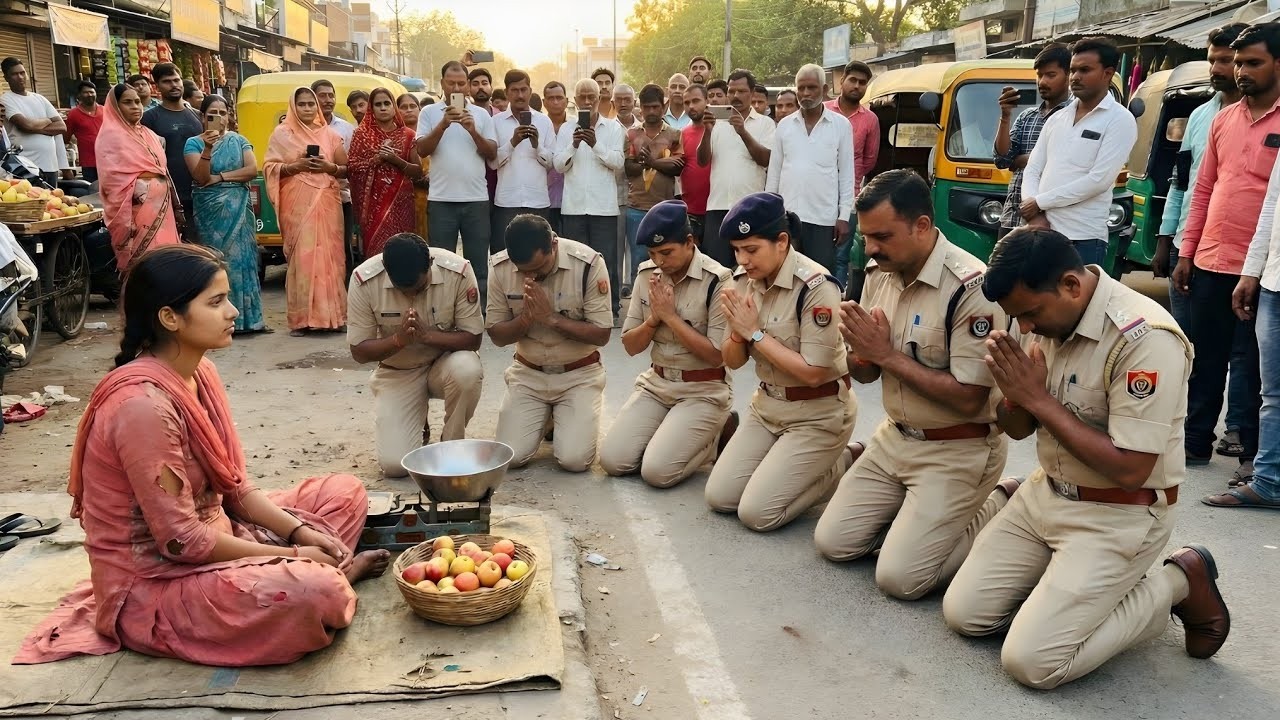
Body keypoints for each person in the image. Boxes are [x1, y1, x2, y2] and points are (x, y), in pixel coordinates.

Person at [14, 245, 390, 668]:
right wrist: (294, 557)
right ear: (170, 318)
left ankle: (321, 571)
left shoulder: (200, 373)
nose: (232, 312)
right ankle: (334, 577)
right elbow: (182, 542)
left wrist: (300, 533)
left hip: (219, 529)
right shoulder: (142, 407)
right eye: (216, 302)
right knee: (314, 590)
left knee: (344, 491)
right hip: (157, 580)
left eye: (227, 299)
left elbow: (235, 488)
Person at [943, 228, 1228, 689]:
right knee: (965, 616)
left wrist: (1037, 400)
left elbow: (1132, 469)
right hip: (1045, 495)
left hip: (1119, 511)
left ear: (1071, 286)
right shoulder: (1042, 314)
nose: (1027, 328)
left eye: (1031, 314)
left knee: (1033, 663)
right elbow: (1015, 428)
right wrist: (1014, 399)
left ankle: (1179, 580)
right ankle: (1071, 595)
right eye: (1020, 318)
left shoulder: (1144, 339)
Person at [813, 170, 1011, 599]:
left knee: (901, 580)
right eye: (867, 237)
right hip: (895, 439)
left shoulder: (972, 288)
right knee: (834, 543)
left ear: (922, 225)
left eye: (883, 236)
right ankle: (915, 516)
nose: (872, 247)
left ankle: (998, 502)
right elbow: (865, 373)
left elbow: (969, 397)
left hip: (957, 447)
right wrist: (858, 352)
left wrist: (886, 355)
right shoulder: (878, 272)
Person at [705, 192, 858, 531]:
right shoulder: (741, 282)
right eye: (736, 250)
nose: (742, 259)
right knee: (720, 497)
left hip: (817, 414)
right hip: (768, 408)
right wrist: (737, 334)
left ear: (782, 241)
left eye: (751, 249)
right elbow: (729, 360)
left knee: (757, 514)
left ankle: (840, 462)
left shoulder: (816, 287)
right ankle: (792, 469)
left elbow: (815, 373)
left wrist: (756, 333)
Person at [1173, 22, 1280, 485]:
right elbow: (1203, 189)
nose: (1240, 71)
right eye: (1237, 62)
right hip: (1211, 258)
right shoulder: (1222, 119)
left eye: (1252, 62)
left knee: (1254, 365)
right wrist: (1186, 250)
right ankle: (1194, 442)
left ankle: (1252, 458)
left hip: (1260, 267)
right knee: (1205, 357)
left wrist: (1255, 267)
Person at [1153, 23, 1252, 470]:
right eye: (1213, 59)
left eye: (1227, 60)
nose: (1219, 68)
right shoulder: (1202, 117)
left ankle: (1243, 435)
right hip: (1197, 246)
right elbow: (1186, 182)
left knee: (1245, 353)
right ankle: (1192, 436)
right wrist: (1169, 242)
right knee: (1194, 346)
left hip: (1252, 255)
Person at [600, 200, 736, 487]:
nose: (660, 261)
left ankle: (716, 434)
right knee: (613, 461)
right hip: (657, 384)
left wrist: (670, 318)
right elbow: (630, 345)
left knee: (657, 473)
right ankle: (674, 433)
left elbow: (716, 356)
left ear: (689, 242)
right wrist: (653, 321)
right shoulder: (647, 274)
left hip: (703, 389)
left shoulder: (718, 280)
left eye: (666, 252)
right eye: (652, 253)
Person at [348, 233, 484, 478]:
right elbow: (359, 351)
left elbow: (473, 338)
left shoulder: (458, 271)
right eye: (403, 290)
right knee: (396, 466)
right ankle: (417, 422)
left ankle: (451, 446)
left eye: (419, 288)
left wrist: (427, 337)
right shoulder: (364, 280)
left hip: (444, 365)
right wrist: (398, 340)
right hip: (398, 371)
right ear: (386, 270)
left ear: (430, 263)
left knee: (468, 369)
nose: (411, 295)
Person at [486, 214, 613, 472]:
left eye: (538, 268)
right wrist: (525, 320)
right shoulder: (500, 268)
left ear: (553, 245)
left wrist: (551, 319)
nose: (530, 276)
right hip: (528, 375)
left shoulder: (588, 264)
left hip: (579, 375)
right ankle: (547, 415)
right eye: (523, 271)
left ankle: (562, 415)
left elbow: (602, 334)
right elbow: (497, 336)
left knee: (574, 461)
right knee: (510, 458)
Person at [1019, 38, 1137, 265]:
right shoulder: (1057, 118)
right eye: (1073, 70)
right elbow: (1033, 168)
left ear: (1107, 73)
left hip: (1082, 238)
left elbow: (1098, 180)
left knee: (1077, 300)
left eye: (1085, 70)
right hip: (1042, 231)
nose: (1075, 77)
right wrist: (1035, 214)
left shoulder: (1120, 120)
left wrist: (1040, 203)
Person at [264, 87, 349, 336]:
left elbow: (345, 168)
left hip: (327, 201)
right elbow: (270, 166)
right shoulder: (281, 134)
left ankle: (334, 317)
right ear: (293, 107)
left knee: (332, 258)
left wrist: (328, 166)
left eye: (311, 104)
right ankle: (302, 320)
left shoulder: (331, 135)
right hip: (297, 205)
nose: (308, 108)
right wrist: (295, 166)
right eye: (302, 104)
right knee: (302, 259)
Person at [1225, 122, 1280, 509]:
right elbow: (1270, 212)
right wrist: (1252, 272)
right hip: (1275, 282)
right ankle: (1268, 481)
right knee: (1272, 394)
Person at [417, 61, 499, 306]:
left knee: (477, 263)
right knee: (442, 262)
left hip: (476, 201)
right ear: (442, 83)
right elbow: (422, 150)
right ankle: (443, 309)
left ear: (468, 86)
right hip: (441, 200)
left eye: (461, 83)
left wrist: (472, 130)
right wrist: (443, 125)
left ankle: (479, 309)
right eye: (451, 83)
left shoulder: (482, 114)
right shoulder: (430, 113)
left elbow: (492, 152)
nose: (456, 88)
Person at [183, 95, 266, 334]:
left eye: (223, 113)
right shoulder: (193, 143)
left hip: (239, 203)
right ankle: (218, 322)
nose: (219, 118)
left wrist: (220, 177)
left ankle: (249, 320)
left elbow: (251, 170)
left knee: (244, 260)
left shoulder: (239, 141)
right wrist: (208, 148)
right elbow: (200, 177)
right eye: (213, 113)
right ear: (202, 117)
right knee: (217, 261)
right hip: (211, 209)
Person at [766, 64, 853, 274]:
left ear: (824, 90)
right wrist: (770, 211)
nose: (805, 93)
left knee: (820, 278)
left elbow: (847, 173)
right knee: (786, 276)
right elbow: (775, 171)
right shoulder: (784, 126)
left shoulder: (841, 125)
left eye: (811, 88)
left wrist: (844, 216)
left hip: (823, 218)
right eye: (801, 88)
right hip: (787, 217)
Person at [555, 77, 625, 316]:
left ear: (599, 99)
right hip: (574, 207)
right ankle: (578, 308)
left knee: (606, 261)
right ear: (574, 101)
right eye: (582, 97)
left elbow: (618, 162)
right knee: (576, 261)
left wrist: (595, 144)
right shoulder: (566, 129)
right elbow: (558, 165)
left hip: (603, 208)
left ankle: (610, 307)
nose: (587, 102)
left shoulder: (614, 128)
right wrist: (574, 145)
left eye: (591, 97)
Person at [96, 83, 181, 271]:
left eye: (137, 101)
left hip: (162, 208)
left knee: (167, 258)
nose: (135, 106)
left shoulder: (148, 133)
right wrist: (143, 189)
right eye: (127, 102)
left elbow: (161, 168)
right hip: (135, 211)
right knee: (146, 264)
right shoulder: (111, 136)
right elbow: (112, 180)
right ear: (115, 107)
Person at [698, 69, 776, 269]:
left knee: (750, 268)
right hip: (718, 207)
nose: (735, 96)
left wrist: (742, 131)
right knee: (717, 269)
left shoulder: (765, 124)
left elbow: (766, 159)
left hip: (750, 207)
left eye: (741, 91)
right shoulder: (717, 124)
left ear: (751, 93)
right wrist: (706, 133)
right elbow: (702, 161)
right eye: (731, 91)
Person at [994, 44, 1071, 239]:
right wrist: (1005, 116)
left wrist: (1022, 160)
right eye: (1039, 75)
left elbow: (1066, 161)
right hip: (1013, 214)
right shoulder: (1027, 116)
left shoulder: (1074, 116)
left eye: (1050, 75)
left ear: (1068, 75)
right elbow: (1003, 160)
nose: (1042, 82)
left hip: (1050, 220)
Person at [347, 87, 423, 259]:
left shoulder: (408, 135)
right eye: (378, 104)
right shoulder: (361, 135)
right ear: (371, 109)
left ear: (393, 107)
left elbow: (417, 171)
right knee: (376, 254)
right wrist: (376, 160)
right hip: (373, 208)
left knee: (404, 252)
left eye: (387, 103)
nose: (383, 108)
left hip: (401, 203)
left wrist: (395, 159)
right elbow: (351, 167)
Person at [826, 60, 880, 287]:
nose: (857, 86)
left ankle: (835, 307)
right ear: (841, 81)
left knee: (840, 256)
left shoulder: (870, 120)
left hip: (848, 198)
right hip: (817, 193)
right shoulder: (823, 110)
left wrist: (851, 176)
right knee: (813, 251)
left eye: (862, 83)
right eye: (853, 80)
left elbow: (869, 161)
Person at [624, 84, 684, 286]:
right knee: (639, 261)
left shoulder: (675, 134)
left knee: (667, 261)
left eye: (655, 107)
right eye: (647, 107)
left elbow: (677, 167)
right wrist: (655, 163)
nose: (651, 111)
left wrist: (650, 162)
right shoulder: (632, 134)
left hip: (665, 207)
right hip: (637, 207)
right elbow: (628, 168)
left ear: (663, 106)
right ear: (640, 107)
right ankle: (639, 307)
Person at [490, 69, 555, 251]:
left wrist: (537, 145)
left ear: (530, 91)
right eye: (515, 90)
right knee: (503, 256)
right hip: (506, 202)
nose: (520, 95)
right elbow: (492, 163)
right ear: (506, 93)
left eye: (524, 89)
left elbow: (552, 164)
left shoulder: (544, 122)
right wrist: (513, 142)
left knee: (540, 257)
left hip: (538, 201)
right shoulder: (496, 122)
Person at [141, 63, 203, 242]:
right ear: (157, 86)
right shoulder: (150, 118)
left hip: (200, 193)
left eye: (176, 80)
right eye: (167, 82)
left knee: (200, 248)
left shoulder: (197, 115)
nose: (174, 85)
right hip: (168, 195)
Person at [1, 57, 67, 186]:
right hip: (25, 169)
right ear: (6, 78)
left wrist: (33, 127)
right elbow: (26, 125)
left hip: (50, 167)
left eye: (22, 73)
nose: (20, 77)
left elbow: (61, 127)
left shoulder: (40, 98)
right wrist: (48, 120)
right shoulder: (5, 99)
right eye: (14, 74)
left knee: (54, 203)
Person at [313, 80, 357, 263]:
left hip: (341, 198)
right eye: (322, 95)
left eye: (331, 95)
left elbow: (352, 166)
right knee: (315, 250)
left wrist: (331, 169)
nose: (328, 99)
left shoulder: (346, 129)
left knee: (341, 250)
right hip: (310, 199)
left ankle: (343, 290)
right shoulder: (301, 129)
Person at [680, 84, 712, 241]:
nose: (691, 106)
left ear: (707, 100)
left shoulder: (720, 129)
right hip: (690, 212)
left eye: (696, 101)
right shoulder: (683, 133)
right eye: (687, 103)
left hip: (715, 210)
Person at [397, 93, 431, 242]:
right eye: (404, 107)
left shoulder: (430, 136)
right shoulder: (394, 138)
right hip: (402, 201)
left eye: (413, 106)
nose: (409, 110)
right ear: (397, 111)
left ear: (419, 109)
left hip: (429, 200)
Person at [543, 81, 570, 235]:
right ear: (544, 102)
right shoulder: (538, 124)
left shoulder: (576, 124)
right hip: (546, 199)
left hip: (572, 200)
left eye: (559, 98)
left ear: (566, 101)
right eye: (551, 98)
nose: (555, 102)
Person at [64, 80, 104, 183]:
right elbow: (66, 137)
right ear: (79, 95)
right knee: (92, 191)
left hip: (107, 159)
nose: (89, 94)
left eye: (92, 92)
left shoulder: (105, 111)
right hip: (88, 162)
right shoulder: (73, 114)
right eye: (86, 92)